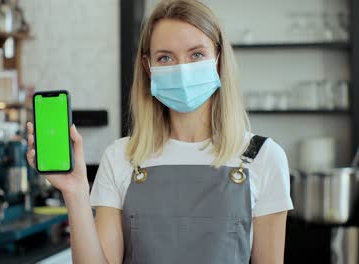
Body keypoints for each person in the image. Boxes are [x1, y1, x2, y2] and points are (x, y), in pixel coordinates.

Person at [26, 0, 293, 263]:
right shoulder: (121, 157)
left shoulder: (263, 157)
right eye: (165, 57)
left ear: (219, 59)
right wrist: (75, 193)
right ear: (148, 67)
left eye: (196, 54)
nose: (182, 70)